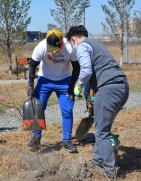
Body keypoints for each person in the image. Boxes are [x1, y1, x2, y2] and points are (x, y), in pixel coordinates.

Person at [66, 25, 129, 179]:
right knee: (101, 127)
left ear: (73, 39)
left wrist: (78, 86)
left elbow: (86, 70)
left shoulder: (82, 46)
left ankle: (109, 171)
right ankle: (97, 161)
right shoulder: (97, 45)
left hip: (108, 89)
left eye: (71, 44)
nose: (73, 47)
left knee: (102, 133)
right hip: (121, 87)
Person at [27, 29, 80, 153]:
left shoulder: (70, 47)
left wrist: (71, 86)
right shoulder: (41, 47)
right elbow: (32, 65)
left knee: (67, 111)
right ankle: (36, 137)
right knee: (38, 108)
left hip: (64, 81)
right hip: (45, 80)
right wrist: (30, 85)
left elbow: (76, 67)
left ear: (62, 42)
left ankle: (67, 141)